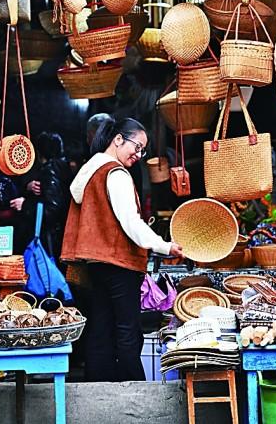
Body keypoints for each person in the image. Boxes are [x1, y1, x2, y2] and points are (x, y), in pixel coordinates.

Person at [61, 117, 184, 382]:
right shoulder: (115, 174)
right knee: (128, 329)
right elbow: (130, 222)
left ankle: (98, 387)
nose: (138, 155)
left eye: (142, 151)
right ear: (118, 139)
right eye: (137, 147)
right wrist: (164, 246)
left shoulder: (91, 172)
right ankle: (135, 388)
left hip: (97, 263)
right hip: (119, 262)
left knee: (101, 327)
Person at [10, 131, 72, 258]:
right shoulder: (64, 168)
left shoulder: (50, 171)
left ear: (39, 152)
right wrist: (28, 188)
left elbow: (52, 209)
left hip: (50, 240)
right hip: (61, 236)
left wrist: (25, 205)